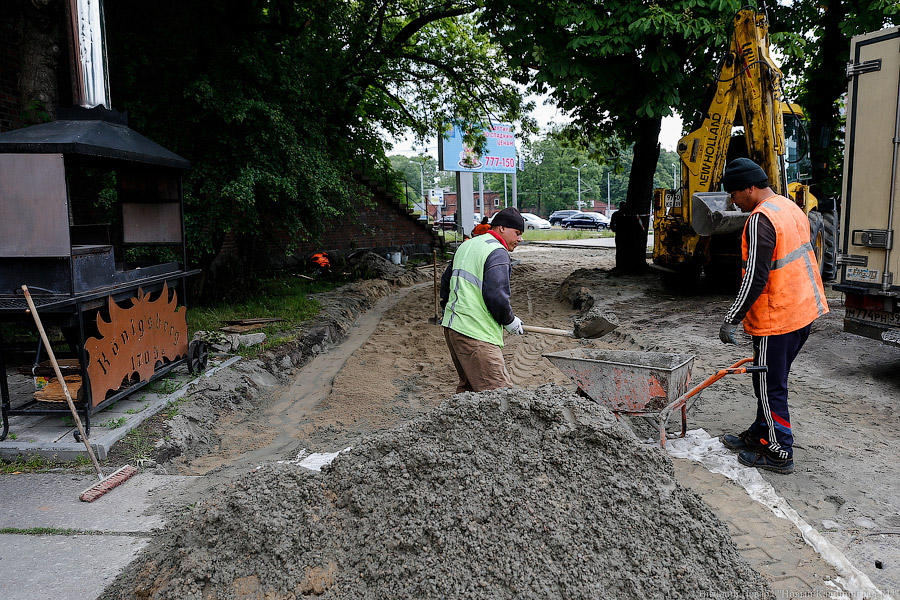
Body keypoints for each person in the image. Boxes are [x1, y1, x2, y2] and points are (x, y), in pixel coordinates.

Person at [718, 157, 829, 474]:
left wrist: (732, 317)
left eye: (735, 194)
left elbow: (756, 276)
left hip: (777, 318)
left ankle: (780, 452)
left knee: (770, 387)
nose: (733, 200)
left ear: (750, 189)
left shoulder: (759, 219)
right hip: (801, 312)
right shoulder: (789, 208)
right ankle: (759, 434)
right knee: (767, 381)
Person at [440, 206, 526, 393]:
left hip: (453, 328)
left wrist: (448, 313)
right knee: (499, 393)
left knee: (470, 390)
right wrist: (509, 320)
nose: (520, 239)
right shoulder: (497, 251)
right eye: (517, 233)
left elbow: (445, 283)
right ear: (501, 228)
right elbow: (496, 295)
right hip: (475, 333)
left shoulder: (468, 244)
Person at [609, 201, 645, 272]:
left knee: (619, 250)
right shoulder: (629, 215)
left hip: (620, 234)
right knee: (625, 250)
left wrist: (616, 230)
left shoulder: (616, 214)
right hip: (627, 235)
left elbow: (612, 224)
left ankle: (619, 265)